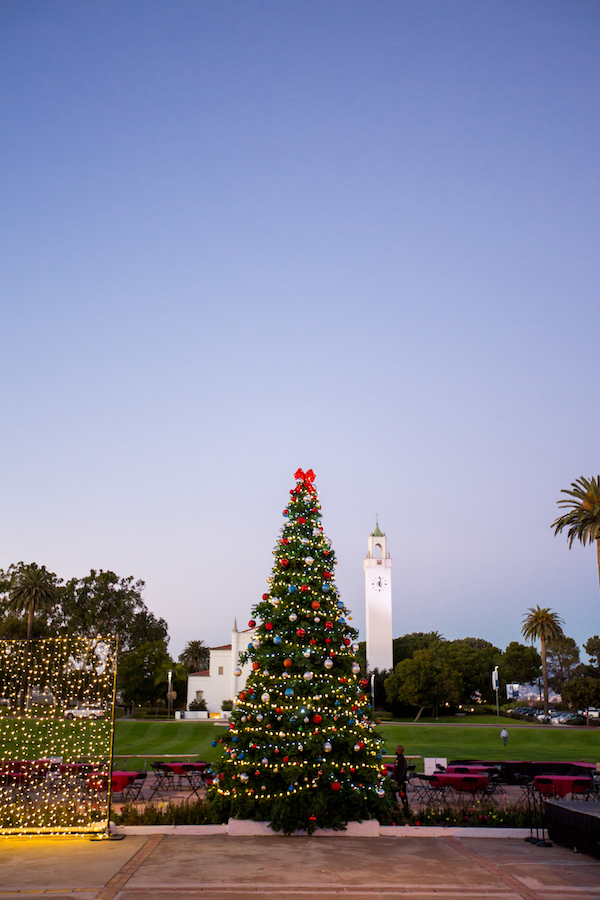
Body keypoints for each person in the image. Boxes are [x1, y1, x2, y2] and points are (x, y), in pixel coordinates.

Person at [392, 745, 410, 813]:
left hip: (400, 781)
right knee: (395, 793)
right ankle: (398, 806)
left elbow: (402, 771)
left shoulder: (401, 760)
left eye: (396, 750)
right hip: (397, 780)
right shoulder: (398, 759)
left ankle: (405, 807)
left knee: (402, 795)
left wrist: (398, 781)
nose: (395, 751)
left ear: (400, 751)